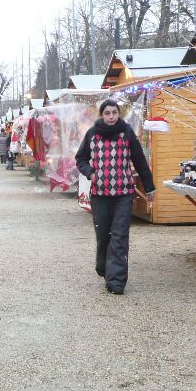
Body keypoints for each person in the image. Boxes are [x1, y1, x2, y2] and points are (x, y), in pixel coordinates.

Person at [75, 98, 155, 295]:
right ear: (102, 115)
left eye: (114, 113)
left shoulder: (127, 133)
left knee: (119, 235)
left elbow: (140, 160)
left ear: (118, 114)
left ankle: (117, 281)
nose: (111, 116)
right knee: (103, 235)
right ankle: (104, 267)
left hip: (124, 193)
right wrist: (91, 173)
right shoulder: (93, 134)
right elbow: (81, 158)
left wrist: (150, 188)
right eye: (107, 113)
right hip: (100, 193)